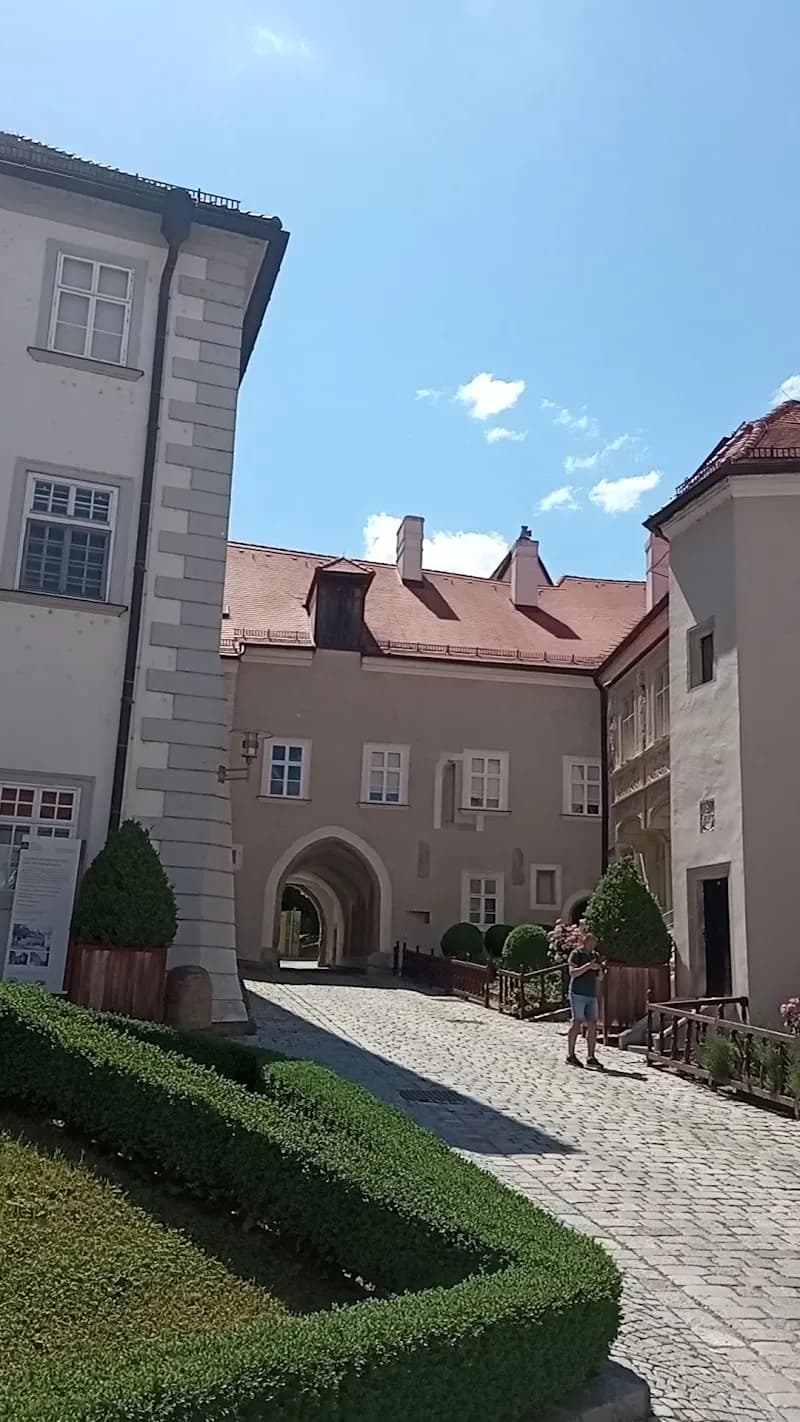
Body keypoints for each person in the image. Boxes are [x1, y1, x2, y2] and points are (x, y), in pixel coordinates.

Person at [566, 929, 604, 1068]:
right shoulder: (576, 954)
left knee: (593, 1024)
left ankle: (591, 1056)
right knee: (577, 1022)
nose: (593, 945)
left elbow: (600, 977)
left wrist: (599, 973)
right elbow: (573, 973)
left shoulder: (596, 955)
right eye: (591, 941)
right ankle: (570, 1054)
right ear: (585, 942)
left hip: (591, 993)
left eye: (594, 942)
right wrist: (588, 966)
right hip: (577, 992)